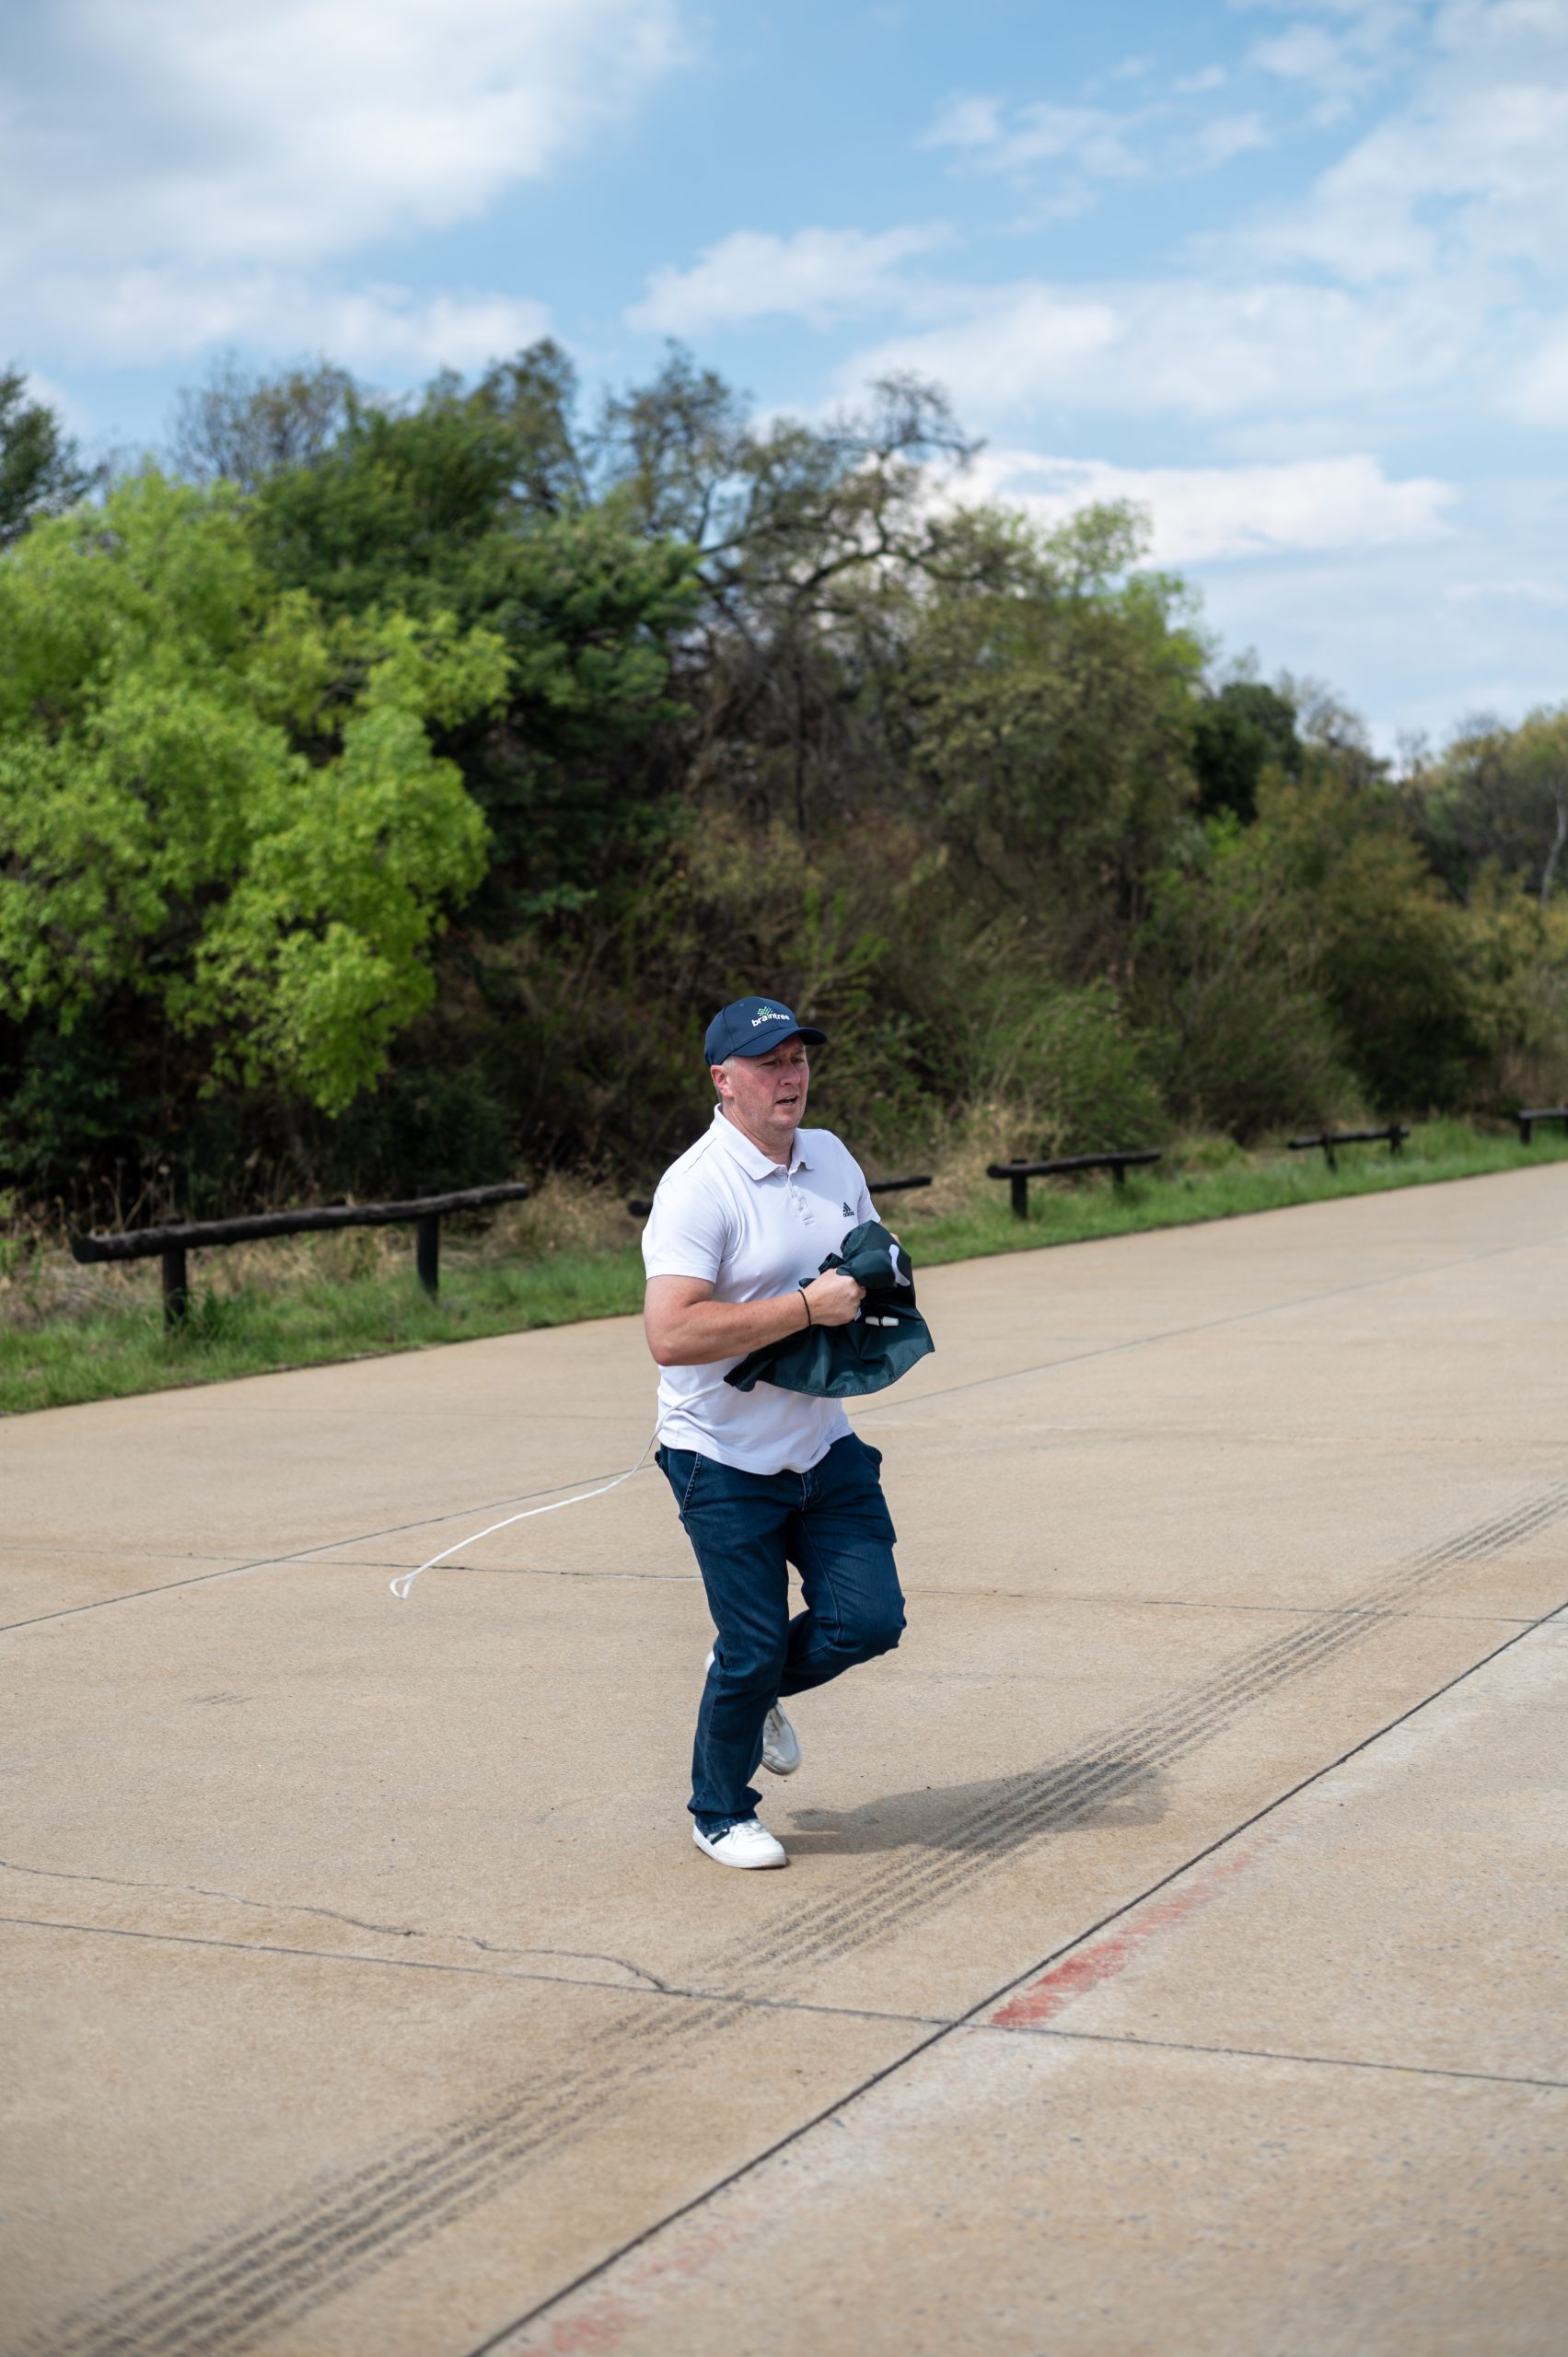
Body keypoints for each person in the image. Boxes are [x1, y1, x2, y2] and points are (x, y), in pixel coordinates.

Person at [642, 995, 907, 1869]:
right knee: (753, 1645)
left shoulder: (828, 1155)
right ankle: (719, 1811)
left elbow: (865, 1244)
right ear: (723, 1082)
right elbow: (671, 1334)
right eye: (768, 1064)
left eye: (798, 1059)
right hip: (719, 1460)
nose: (790, 1076)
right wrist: (802, 1308)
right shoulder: (697, 1188)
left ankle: (747, 1687)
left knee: (866, 1622)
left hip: (821, 1445)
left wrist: (874, 1271)